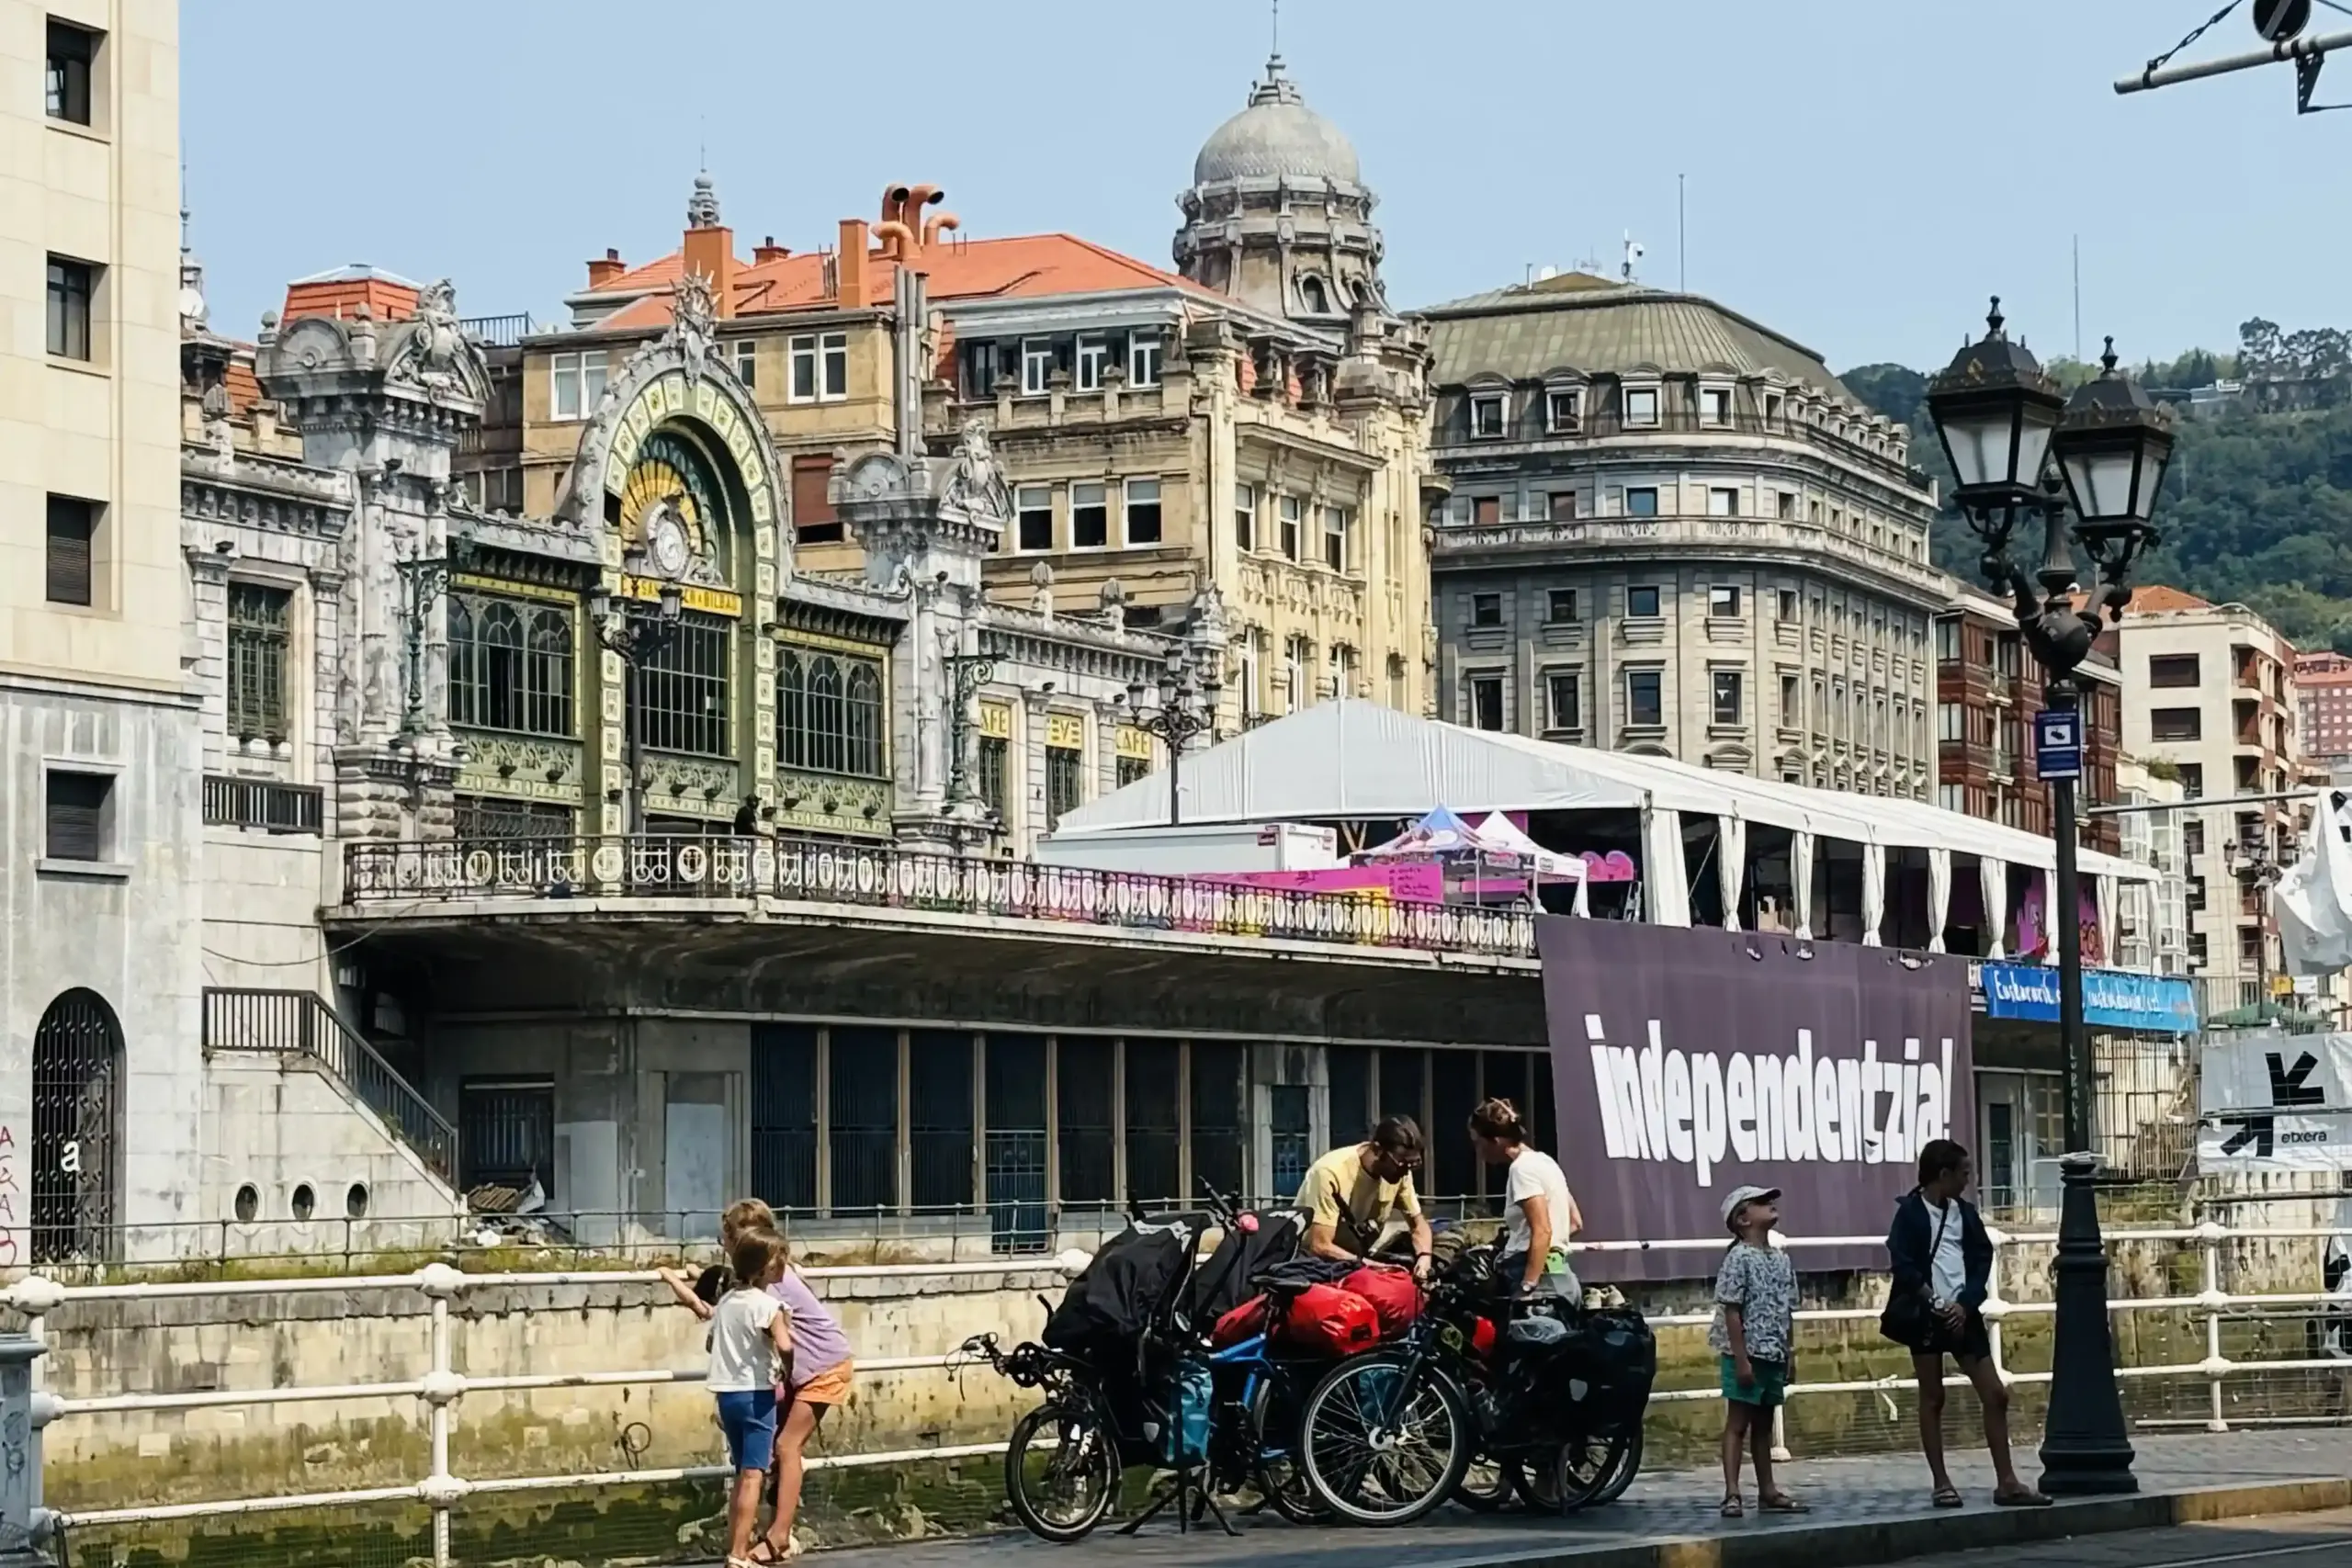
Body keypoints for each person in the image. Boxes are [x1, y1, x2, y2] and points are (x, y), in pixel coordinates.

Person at [1890, 1140, 2049, 1509]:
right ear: (1942, 1175)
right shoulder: (1911, 1214)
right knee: (1933, 1396)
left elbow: (1980, 1257)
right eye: (1963, 1173)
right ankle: (1941, 1481)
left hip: (1962, 1311)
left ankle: (2006, 1481)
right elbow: (1904, 1265)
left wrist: (1966, 1302)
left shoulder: (1964, 1213)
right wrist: (1933, 1299)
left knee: (1995, 1393)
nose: (1967, 1180)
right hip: (1925, 1313)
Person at [1710, 1184, 1804, 1518]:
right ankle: (1732, 1491)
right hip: (1747, 1352)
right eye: (1761, 1202)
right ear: (1743, 1218)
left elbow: (1787, 1309)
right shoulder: (1738, 1258)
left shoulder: (1780, 1259)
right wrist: (1740, 1358)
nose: (1770, 1205)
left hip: (1773, 1352)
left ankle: (1767, 1490)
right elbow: (1732, 1310)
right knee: (1738, 1421)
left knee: (1764, 1423)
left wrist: (1789, 1352)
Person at [705, 1229, 793, 1568]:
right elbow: (785, 1345)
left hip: (727, 1394)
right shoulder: (769, 1305)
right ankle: (739, 1554)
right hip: (757, 1394)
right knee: (755, 1473)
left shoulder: (727, 1300)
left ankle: (736, 1545)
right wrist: (788, 1367)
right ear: (764, 1269)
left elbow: (712, 1344)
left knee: (742, 1472)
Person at [1466, 1097, 1582, 1299]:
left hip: (1538, 1282)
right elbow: (1575, 1222)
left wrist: (1528, 1284)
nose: (1478, 1151)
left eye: (1478, 1142)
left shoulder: (1522, 1169)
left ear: (1496, 1140)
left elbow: (1543, 1230)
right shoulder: (1546, 1162)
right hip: (1561, 1274)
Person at [1295, 1114, 1435, 1278]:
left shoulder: (1400, 1174)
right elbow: (1320, 1245)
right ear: (1377, 1150)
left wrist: (1424, 1259)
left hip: (1358, 1260)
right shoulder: (1330, 1172)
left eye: (1411, 1165)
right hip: (1313, 1265)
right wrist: (1375, 1267)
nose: (1405, 1172)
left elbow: (1418, 1224)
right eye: (1401, 1165)